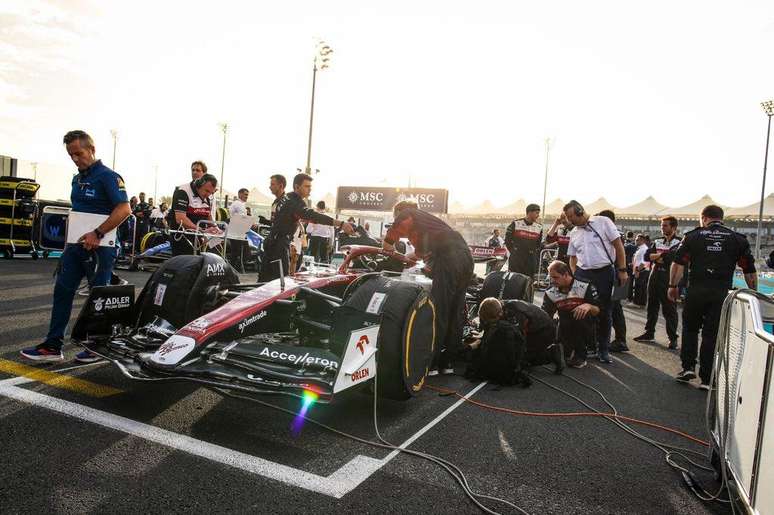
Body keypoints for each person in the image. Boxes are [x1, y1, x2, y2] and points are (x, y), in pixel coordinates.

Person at [21, 130, 131, 363]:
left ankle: (97, 346)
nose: (75, 158)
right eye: (71, 155)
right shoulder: (77, 178)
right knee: (62, 291)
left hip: (101, 248)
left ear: (91, 149)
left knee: (97, 298)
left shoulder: (108, 177)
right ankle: (52, 346)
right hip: (75, 247)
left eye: (78, 153)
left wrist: (98, 233)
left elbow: (124, 209)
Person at [669, 205, 757, 390]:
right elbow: (749, 270)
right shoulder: (737, 239)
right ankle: (707, 379)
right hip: (720, 292)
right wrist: (753, 293)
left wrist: (672, 286)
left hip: (696, 290)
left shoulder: (693, 236)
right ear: (721, 218)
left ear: (704, 218)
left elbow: (678, 264)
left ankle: (688, 367)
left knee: (690, 329)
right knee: (711, 333)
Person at [383, 199, 474, 375]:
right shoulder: (428, 226)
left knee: (439, 311)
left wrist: (387, 244)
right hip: (465, 259)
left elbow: (392, 238)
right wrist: (406, 258)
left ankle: (430, 364)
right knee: (455, 311)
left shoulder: (409, 214)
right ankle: (447, 363)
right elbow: (418, 255)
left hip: (450, 259)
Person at [563, 200, 628, 363]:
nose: (570, 220)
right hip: (582, 273)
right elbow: (572, 256)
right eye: (568, 217)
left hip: (604, 272)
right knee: (577, 308)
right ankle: (584, 347)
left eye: (571, 216)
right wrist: (575, 274)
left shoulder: (602, 222)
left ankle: (603, 349)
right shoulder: (574, 232)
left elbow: (618, 246)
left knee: (604, 310)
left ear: (579, 211)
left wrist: (622, 270)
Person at [259, 173, 353, 282]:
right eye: (307, 186)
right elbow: (313, 216)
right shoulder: (295, 202)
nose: (310, 190)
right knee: (280, 283)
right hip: (278, 246)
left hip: (272, 243)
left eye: (310, 187)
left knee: (264, 281)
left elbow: (283, 219)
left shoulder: (287, 197)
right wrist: (341, 224)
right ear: (297, 187)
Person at [478, 297, 564, 374]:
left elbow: (520, 340)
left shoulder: (515, 313)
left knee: (523, 360)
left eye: (492, 321)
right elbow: (487, 328)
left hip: (544, 331)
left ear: (500, 313)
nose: (490, 323)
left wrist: (516, 364)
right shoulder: (491, 308)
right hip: (531, 328)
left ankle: (552, 353)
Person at [541, 260, 600, 368]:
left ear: (566, 275)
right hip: (564, 324)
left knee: (581, 315)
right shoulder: (550, 291)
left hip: (584, 324)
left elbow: (598, 310)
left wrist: (588, 306)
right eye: (551, 277)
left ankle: (583, 352)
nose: (552, 281)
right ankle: (563, 349)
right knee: (547, 324)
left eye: (555, 277)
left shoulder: (585, 285)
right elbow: (545, 315)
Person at [634, 217, 681, 348]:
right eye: (662, 225)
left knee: (669, 309)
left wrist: (658, 256)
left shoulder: (679, 242)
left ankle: (673, 338)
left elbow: (671, 258)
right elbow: (646, 256)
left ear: (673, 227)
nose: (662, 228)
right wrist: (660, 256)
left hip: (668, 277)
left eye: (665, 225)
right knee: (651, 306)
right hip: (654, 275)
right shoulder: (658, 241)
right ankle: (649, 333)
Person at [596, 210, 628, 352]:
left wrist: (622, 271)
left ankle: (619, 340)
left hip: (615, 273)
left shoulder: (612, 233)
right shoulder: (616, 233)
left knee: (614, 308)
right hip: (618, 273)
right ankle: (618, 339)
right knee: (614, 308)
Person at [167, 173, 220, 256]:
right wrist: (202, 231)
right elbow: (180, 219)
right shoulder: (183, 191)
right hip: (181, 237)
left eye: (211, 192)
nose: (208, 195)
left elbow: (208, 215)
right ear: (199, 184)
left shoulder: (208, 196)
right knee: (185, 265)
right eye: (206, 191)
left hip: (197, 238)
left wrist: (216, 229)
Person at [505, 203, 543, 278]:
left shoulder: (539, 227)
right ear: (529, 212)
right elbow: (507, 240)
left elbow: (538, 244)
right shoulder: (515, 224)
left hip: (530, 259)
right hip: (516, 258)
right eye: (536, 213)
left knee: (528, 281)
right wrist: (514, 251)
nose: (538, 215)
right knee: (514, 280)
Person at [630, 234, 651, 306]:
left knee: (638, 287)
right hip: (641, 269)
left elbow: (644, 261)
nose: (635, 241)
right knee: (642, 287)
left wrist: (638, 270)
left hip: (641, 270)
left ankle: (636, 302)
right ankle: (642, 302)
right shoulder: (641, 248)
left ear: (642, 240)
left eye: (637, 240)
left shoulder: (644, 249)